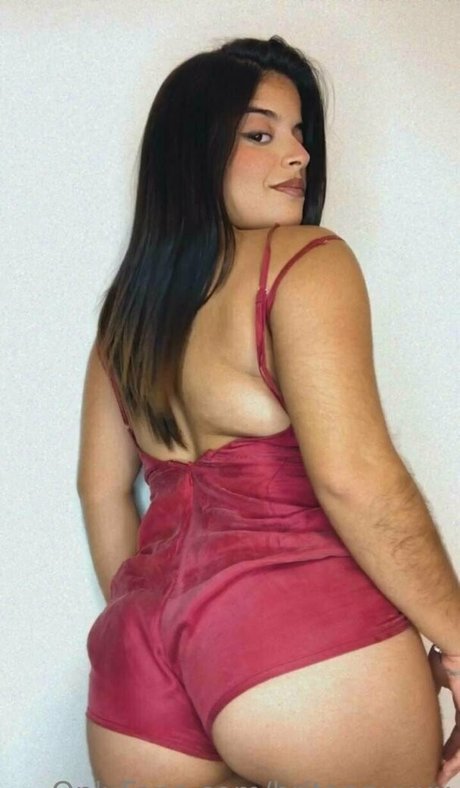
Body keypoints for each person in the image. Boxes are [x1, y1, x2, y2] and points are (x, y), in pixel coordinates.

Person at [77, 35, 460, 788]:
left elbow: (99, 490)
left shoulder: (127, 316)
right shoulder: (306, 262)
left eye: (299, 134)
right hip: (297, 636)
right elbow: (355, 478)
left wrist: (177, 626)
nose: (298, 155)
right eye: (260, 134)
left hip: (138, 663)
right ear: (193, 153)